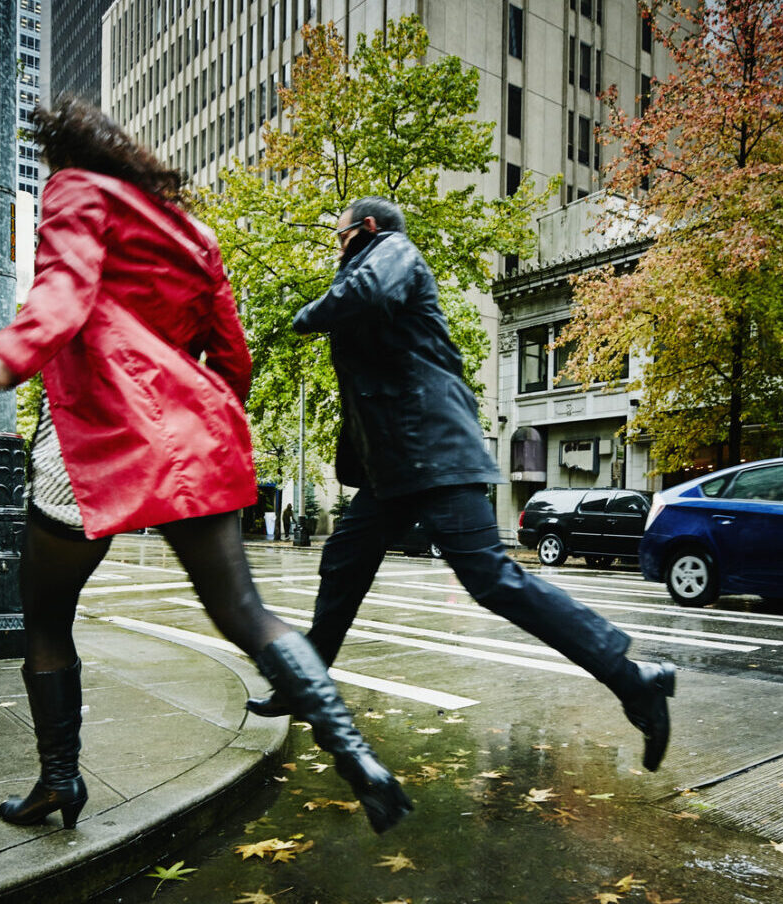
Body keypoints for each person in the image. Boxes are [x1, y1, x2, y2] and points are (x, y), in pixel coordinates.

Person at [0, 100, 411, 834]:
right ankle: (356, 755)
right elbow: (234, 355)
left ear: (70, 154)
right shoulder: (194, 233)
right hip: (192, 429)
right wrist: (208, 420)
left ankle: (60, 780)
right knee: (244, 612)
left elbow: (63, 292)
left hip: (93, 437)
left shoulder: (74, 189)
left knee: (47, 616)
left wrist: (3, 354)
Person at [245, 197, 678, 770]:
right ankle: (304, 684)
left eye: (340, 238)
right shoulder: (373, 263)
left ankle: (633, 677)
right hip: (395, 466)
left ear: (365, 230)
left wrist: (307, 314)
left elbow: (366, 295)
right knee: (343, 566)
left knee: (491, 579)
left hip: (434, 455)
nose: (337, 250)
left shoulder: (393, 252)